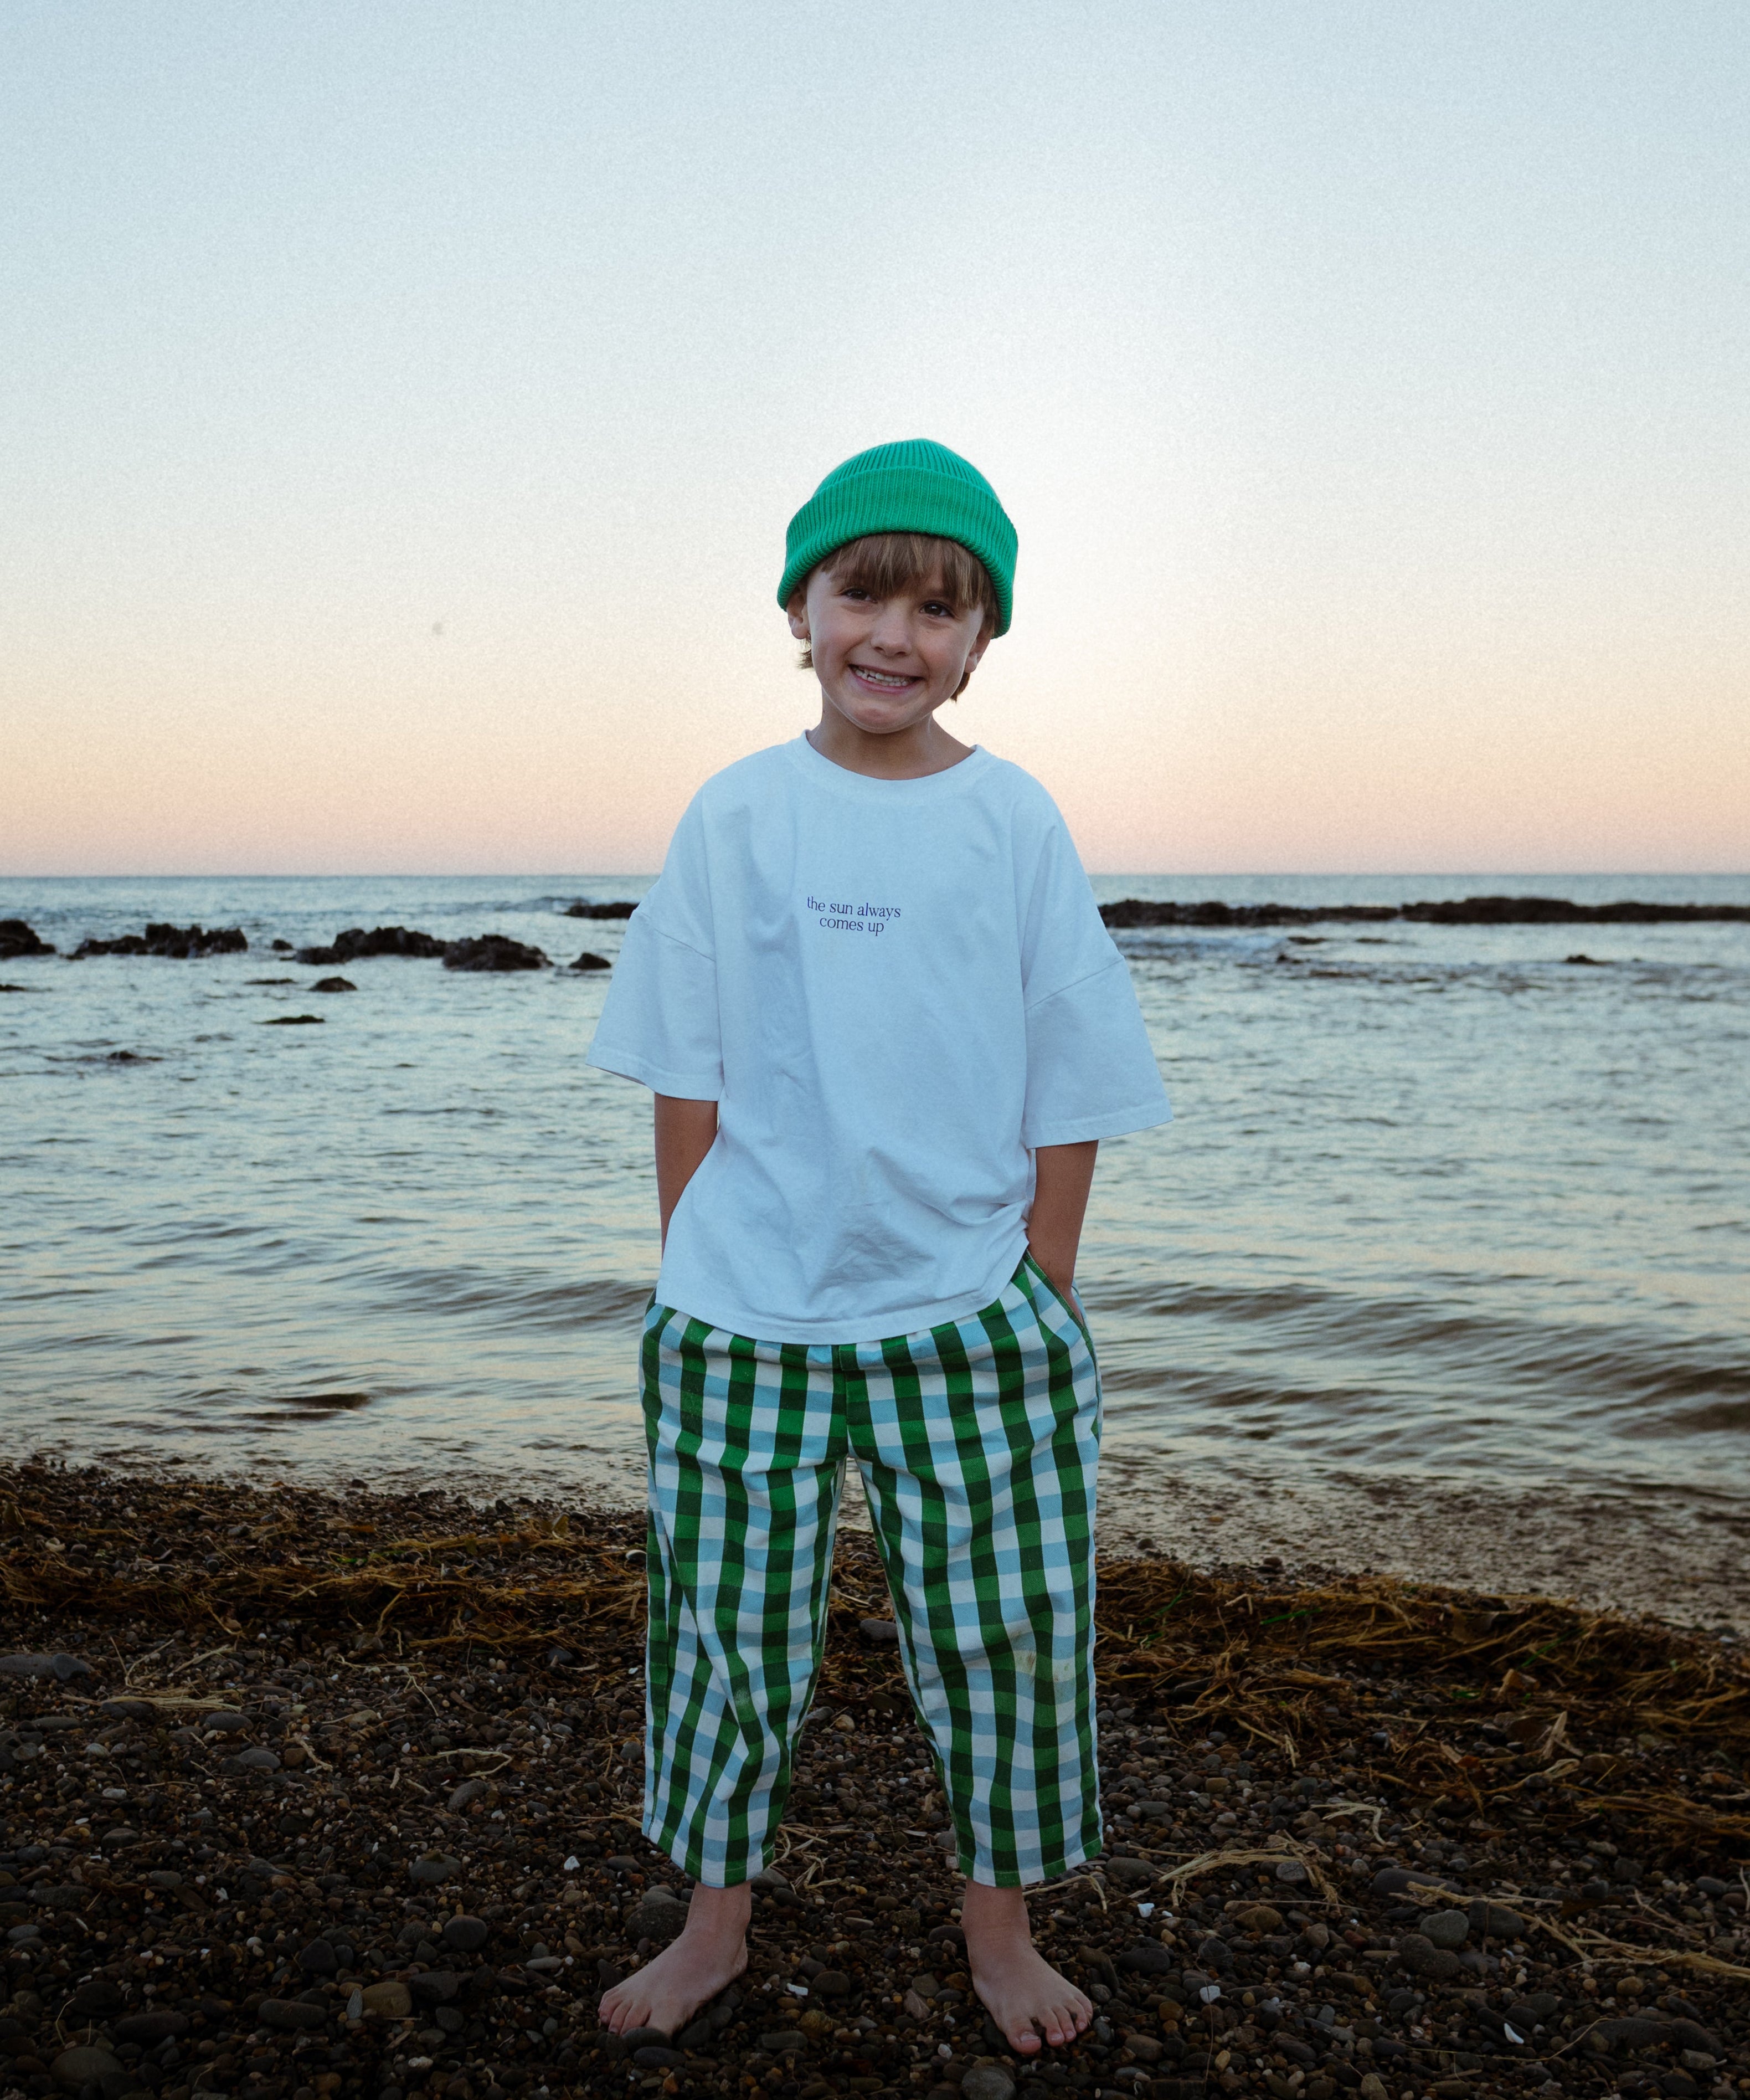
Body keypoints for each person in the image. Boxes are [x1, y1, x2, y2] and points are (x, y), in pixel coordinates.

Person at [585, 439, 1170, 2055]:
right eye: (864, 594)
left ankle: (1002, 1930)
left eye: (941, 606)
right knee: (723, 1633)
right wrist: (693, 1260)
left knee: (1006, 1633)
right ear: (802, 607)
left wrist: (1040, 1283)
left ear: (984, 635)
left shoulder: (1011, 817)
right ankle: (713, 1929)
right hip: (740, 1313)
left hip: (970, 1309)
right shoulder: (740, 810)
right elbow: (687, 1059)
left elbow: (1073, 1063)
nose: (895, 637)